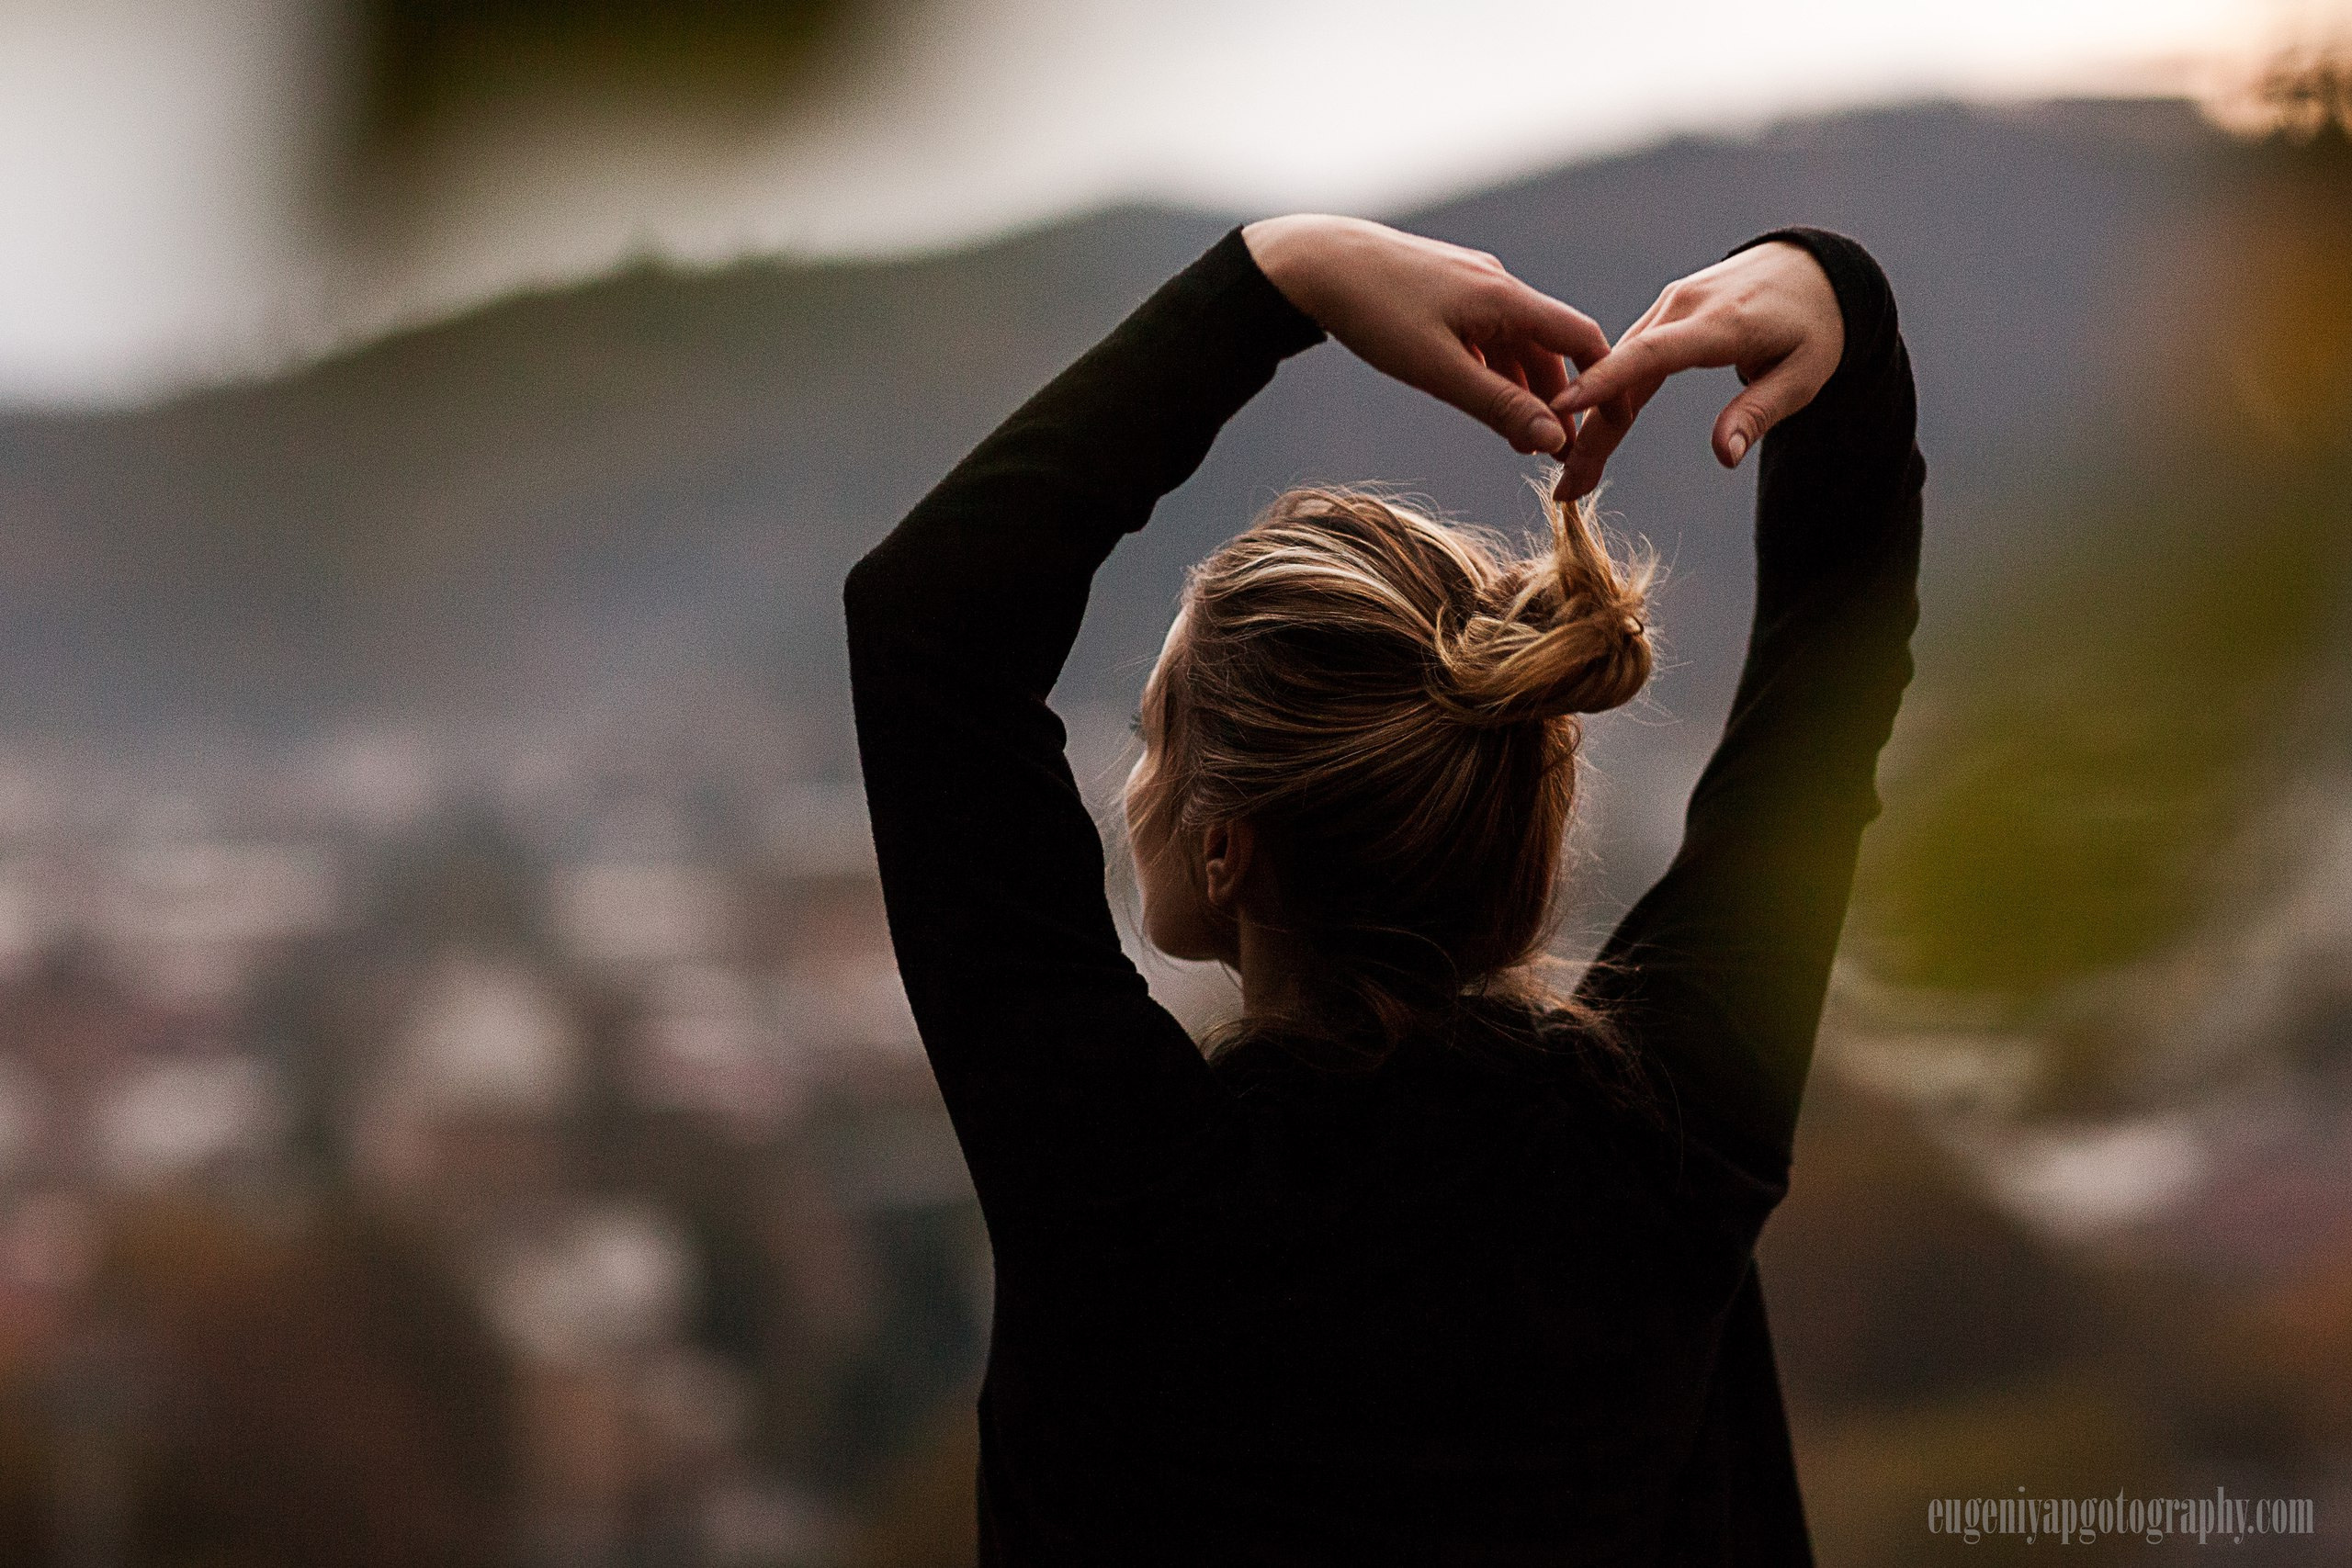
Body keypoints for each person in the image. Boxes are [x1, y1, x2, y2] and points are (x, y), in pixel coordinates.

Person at [843, 212, 1923, 1564]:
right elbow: (1828, 700)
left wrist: (1278, 276)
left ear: (1227, 843)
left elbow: (926, 632)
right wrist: (1843, 306)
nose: (1132, 789)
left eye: (1151, 739)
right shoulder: (1663, 1149)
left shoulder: (1132, 1196)